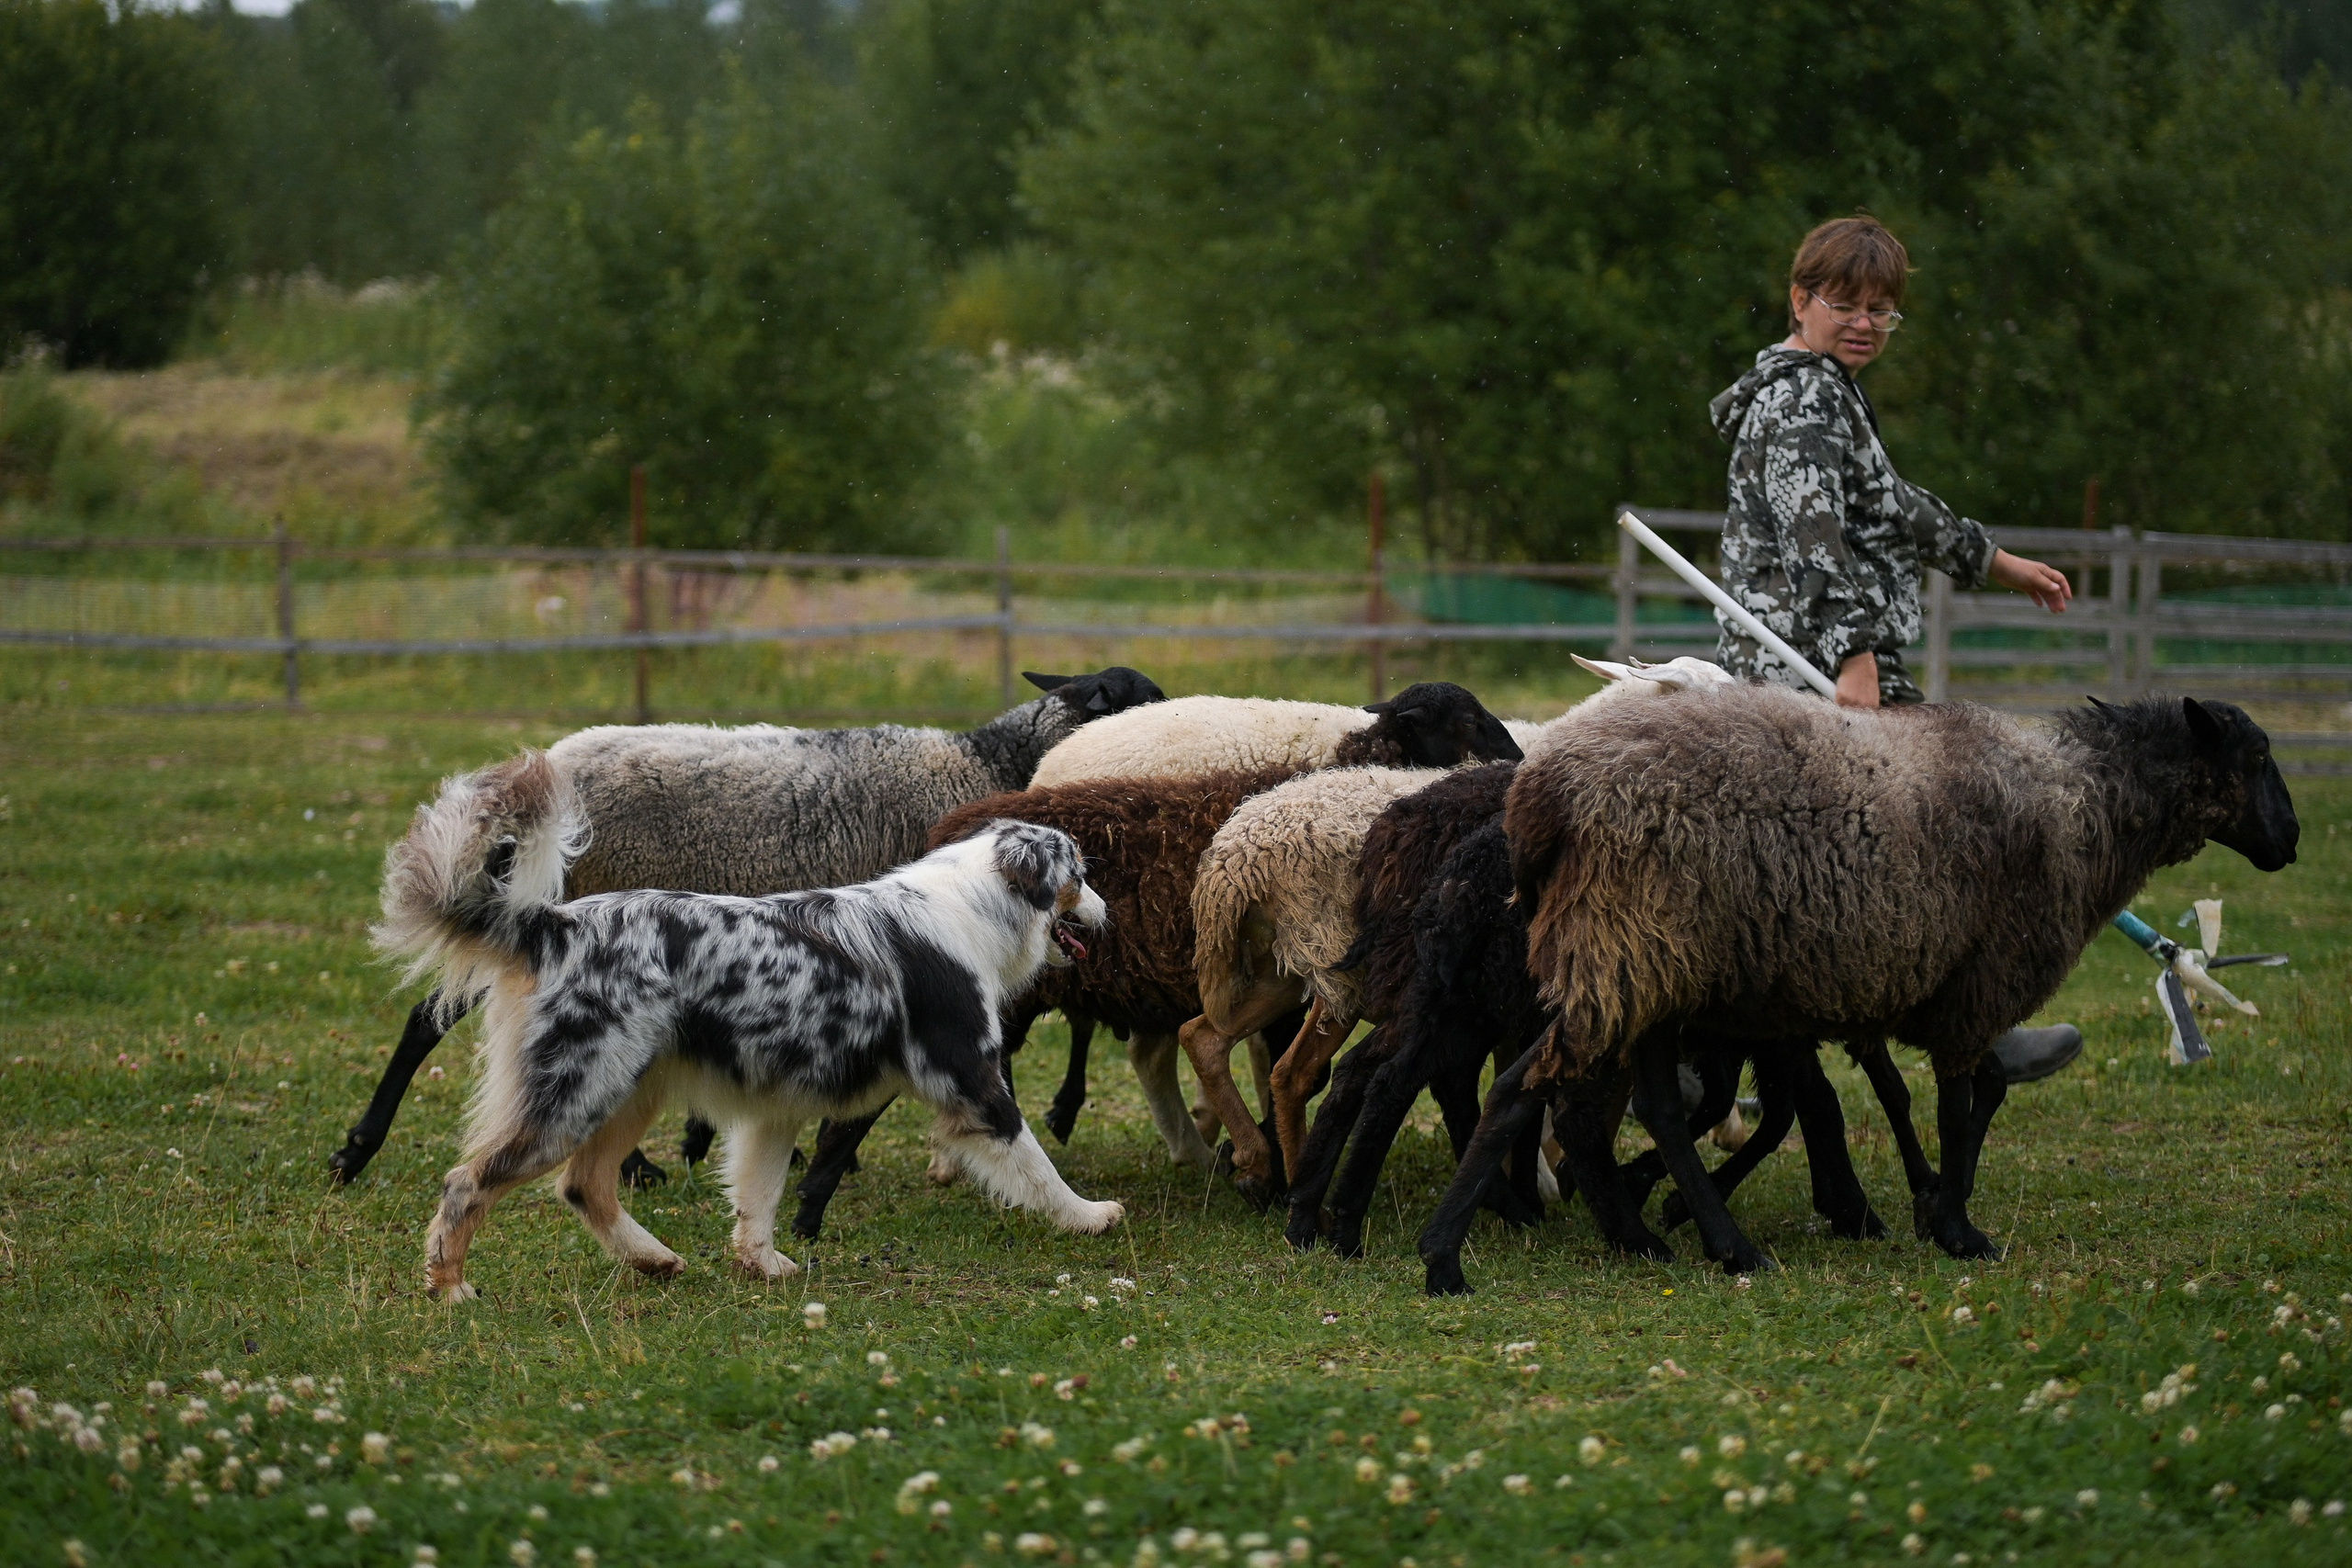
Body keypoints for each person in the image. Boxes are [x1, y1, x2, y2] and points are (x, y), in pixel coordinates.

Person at [1709, 214, 2081, 1083]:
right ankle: (1709, 1055)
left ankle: (1966, 1030)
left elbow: (1890, 502)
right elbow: (1813, 534)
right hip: (1803, 671)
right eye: (1846, 303)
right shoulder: (1802, 400)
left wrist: (1995, 561)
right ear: (1801, 300)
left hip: (1833, 657)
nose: (1865, 323)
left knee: (1922, 841)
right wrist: (1854, 657)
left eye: (1882, 309)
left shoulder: (1827, 390)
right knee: (1872, 856)